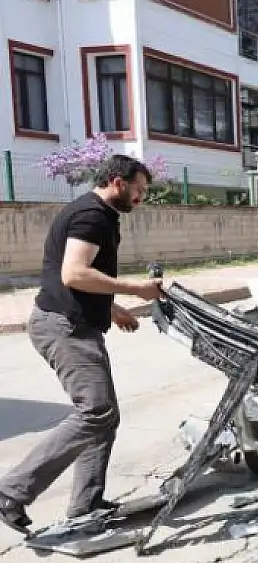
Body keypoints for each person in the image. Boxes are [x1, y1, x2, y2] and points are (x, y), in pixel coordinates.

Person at [0, 154, 164, 534]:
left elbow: (81, 278)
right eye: (138, 190)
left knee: (104, 417)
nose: (141, 198)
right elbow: (74, 273)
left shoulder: (96, 213)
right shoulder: (92, 216)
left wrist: (113, 307)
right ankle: (12, 490)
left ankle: (85, 505)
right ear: (118, 182)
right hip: (64, 325)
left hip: (73, 321)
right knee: (96, 413)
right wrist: (136, 288)